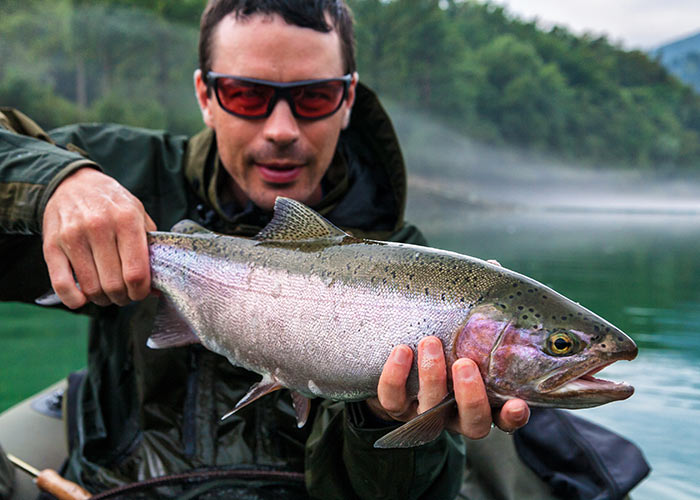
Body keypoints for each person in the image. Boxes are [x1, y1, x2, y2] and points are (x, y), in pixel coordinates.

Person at [1, 1, 650, 499]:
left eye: (311, 98)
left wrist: (383, 424)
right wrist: (53, 184)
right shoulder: (120, 171)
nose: (280, 130)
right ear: (205, 94)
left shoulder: (404, 255)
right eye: (247, 96)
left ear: (346, 100)